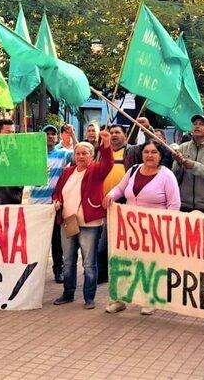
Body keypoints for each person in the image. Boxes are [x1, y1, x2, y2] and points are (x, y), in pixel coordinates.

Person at [103, 140, 181, 315]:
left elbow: (174, 205)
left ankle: (150, 299)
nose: (149, 155)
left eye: (154, 152)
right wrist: (110, 195)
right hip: (129, 229)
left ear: (160, 155)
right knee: (123, 263)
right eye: (146, 152)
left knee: (150, 265)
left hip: (155, 231)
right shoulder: (133, 170)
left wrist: (164, 227)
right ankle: (119, 299)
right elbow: (120, 189)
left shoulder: (167, 175)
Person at [52, 129, 113, 309]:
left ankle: (89, 298)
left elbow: (108, 162)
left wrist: (107, 143)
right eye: (77, 153)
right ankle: (68, 293)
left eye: (84, 153)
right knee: (69, 261)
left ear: (92, 156)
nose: (80, 156)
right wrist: (56, 201)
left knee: (88, 263)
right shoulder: (67, 172)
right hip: (67, 223)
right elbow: (58, 192)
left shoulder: (96, 170)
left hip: (89, 225)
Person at [29, 124, 73, 283]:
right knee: (36, 241)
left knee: (57, 241)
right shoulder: (32, 155)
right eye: (47, 134)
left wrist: (72, 134)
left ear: (57, 137)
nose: (50, 136)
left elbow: (81, 154)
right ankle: (35, 271)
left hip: (54, 205)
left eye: (53, 134)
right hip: (36, 205)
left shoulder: (63, 154)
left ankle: (58, 270)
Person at [98, 124, 130, 284]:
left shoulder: (132, 151)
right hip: (104, 204)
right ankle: (102, 274)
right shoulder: (102, 153)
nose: (114, 135)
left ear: (126, 135)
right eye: (111, 133)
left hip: (125, 205)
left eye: (118, 132)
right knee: (102, 244)